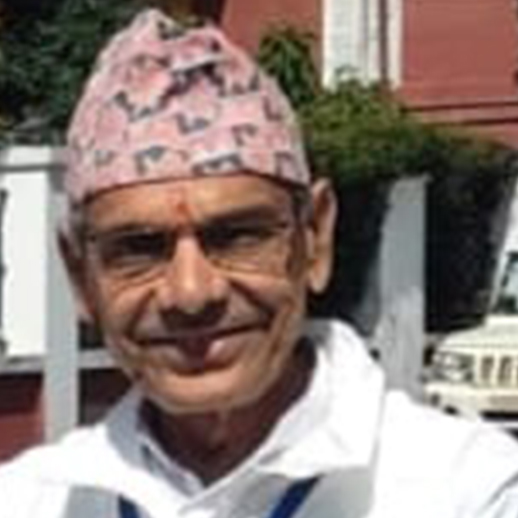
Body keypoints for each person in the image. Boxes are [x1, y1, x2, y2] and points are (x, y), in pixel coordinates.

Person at [1, 8, 518, 518]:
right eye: (140, 248)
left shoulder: (468, 492)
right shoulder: (35, 500)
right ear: (80, 277)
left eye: (236, 237)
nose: (191, 293)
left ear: (315, 239)